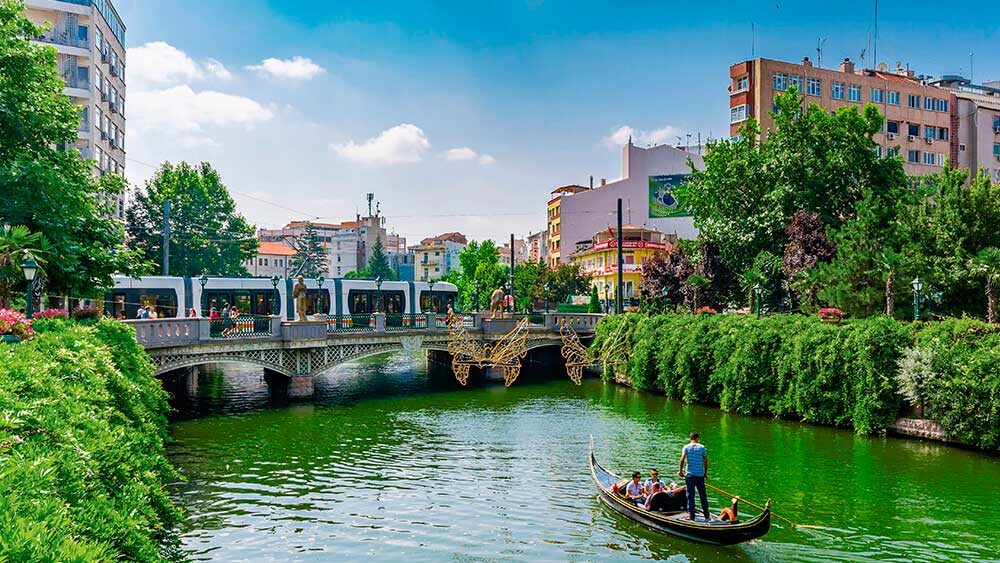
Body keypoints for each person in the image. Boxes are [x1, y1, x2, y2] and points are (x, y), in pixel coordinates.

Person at [679, 431, 710, 521]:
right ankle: (707, 516)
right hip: (700, 475)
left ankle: (691, 516)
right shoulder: (702, 447)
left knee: (690, 496)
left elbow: (682, 460)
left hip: (690, 475)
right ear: (697, 439)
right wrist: (705, 473)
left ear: (690, 438)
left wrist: (680, 471)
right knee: (703, 496)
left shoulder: (686, 447)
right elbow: (705, 461)